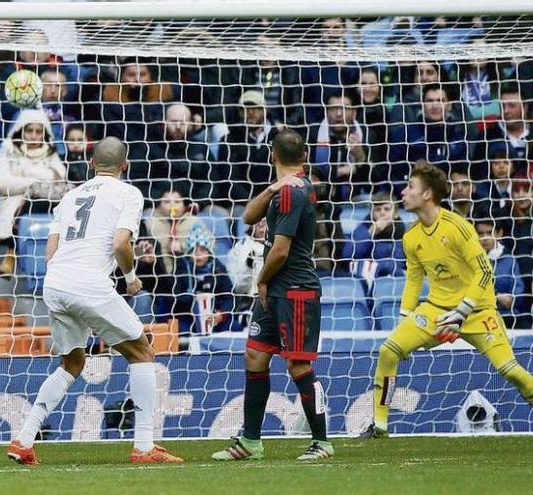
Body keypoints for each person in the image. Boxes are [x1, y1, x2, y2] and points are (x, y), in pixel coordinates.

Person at [8, 137, 183, 465]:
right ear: (125, 166)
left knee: (71, 364)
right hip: (88, 283)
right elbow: (120, 243)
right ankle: (144, 446)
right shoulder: (128, 193)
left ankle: (24, 439)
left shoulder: (71, 195)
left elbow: (51, 249)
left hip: (56, 281)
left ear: (91, 163)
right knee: (142, 351)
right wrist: (131, 279)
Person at [360, 161, 533, 439]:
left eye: (410, 187)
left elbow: (484, 272)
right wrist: (406, 320)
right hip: (436, 310)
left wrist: (462, 312)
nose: (403, 192)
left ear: (427, 194)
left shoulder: (458, 227)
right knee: (389, 351)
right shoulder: (410, 236)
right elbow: (414, 279)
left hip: (476, 310)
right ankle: (379, 425)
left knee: (510, 371)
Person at [212, 129, 333, 462]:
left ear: (271, 155)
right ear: (305, 157)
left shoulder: (295, 193)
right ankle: (251, 442)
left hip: (294, 290)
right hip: (277, 290)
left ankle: (321, 441)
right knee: (254, 355)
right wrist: (271, 188)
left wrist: (261, 281)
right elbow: (248, 217)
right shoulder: (282, 190)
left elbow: (280, 251)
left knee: (298, 366)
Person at [0, 109, 68, 275]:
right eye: (29, 131)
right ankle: (11, 255)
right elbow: (1, 182)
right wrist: (34, 183)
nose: (34, 136)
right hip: (16, 200)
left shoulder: (50, 152)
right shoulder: (8, 150)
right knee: (23, 206)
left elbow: (60, 177)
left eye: (38, 131)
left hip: (47, 201)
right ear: (21, 130)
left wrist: (24, 172)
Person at [475, 218, 524, 327]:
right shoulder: (470, 260)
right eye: (481, 234)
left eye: (489, 233)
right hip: (478, 317)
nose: (485, 238)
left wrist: (505, 299)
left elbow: (516, 296)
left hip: (508, 319)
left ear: (499, 233)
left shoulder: (510, 260)